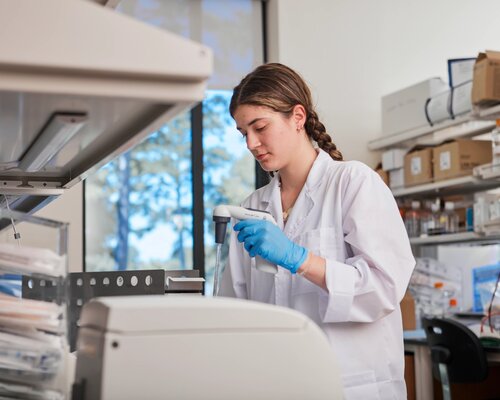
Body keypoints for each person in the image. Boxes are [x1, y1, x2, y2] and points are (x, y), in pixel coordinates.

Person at [219, 63, 415, 399]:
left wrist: (301, 260)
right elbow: (233, 309)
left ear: (298, 117)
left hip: (352, 386)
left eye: (259, 127)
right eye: (243, 133)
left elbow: (385, 288)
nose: (251, 143)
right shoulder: (251, 208)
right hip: (281, 385)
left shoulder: (353, 183)